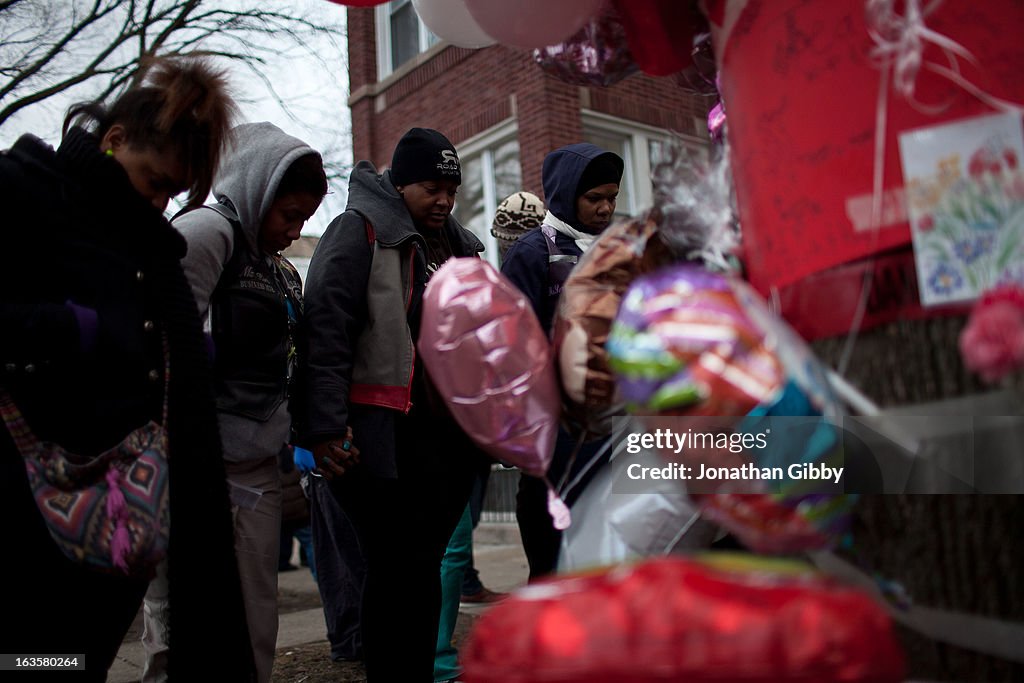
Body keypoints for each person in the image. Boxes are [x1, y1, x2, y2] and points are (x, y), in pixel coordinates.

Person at [0, 56, 255, 679]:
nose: (161, 201)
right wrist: (68, 326)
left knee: (74, 660)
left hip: (116, 523)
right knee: (30, 661)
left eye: (174, 191)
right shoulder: (25, 191)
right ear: (114, 140)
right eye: (154, 180)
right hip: (27, 509)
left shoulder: (152, 249)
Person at [141, 121, 327, 683]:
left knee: (252, 617)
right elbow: (163, 344)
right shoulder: (205, 232)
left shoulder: (278, 270)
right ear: (256, 188)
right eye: (288, 215)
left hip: (256, 467)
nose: (293, 232)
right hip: (194, 466)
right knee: (178, 618)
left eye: (304, 221)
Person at [301, 127, 488, 681]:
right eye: (432, 188)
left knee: (424, 568)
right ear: (401, 182)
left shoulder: (461, 245)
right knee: (390, 568)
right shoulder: (358, 231)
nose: (444, 201)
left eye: (451, 191)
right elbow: (326, 330)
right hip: (380, 439)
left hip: (445, 442)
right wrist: (327, 428)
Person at [500, 143, 624, 581]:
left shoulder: (619, 251)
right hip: (557, 430)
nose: (606, 208)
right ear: (566, 194)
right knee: (554, 543)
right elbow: (512, 344)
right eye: (595, 198)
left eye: (612, 197)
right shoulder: (532, 253)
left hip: (616, 422)